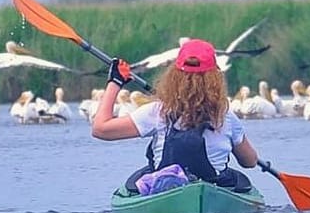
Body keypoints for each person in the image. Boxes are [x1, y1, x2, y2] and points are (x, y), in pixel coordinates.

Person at [90, 39, 262, 194]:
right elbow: (250, 161)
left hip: (167, 185)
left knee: (135, 182)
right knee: (241, 181)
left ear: (174, 76)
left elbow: (100, 129)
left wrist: (115, 82)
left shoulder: (156, 112)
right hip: (213, 187)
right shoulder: (226, 116)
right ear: (215, 78)